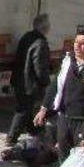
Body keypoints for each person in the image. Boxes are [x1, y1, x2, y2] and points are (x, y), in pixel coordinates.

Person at [34, 29, 84, 161]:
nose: (77, 46)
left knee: (81, 156)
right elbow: (56, 85)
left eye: (83, 43)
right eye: (76, 42)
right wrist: (44, 108)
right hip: (64, 116)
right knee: (62, 153)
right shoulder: (68, 61)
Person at [6, 14, 51, 146]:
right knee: (23, 110)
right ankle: (11, 138)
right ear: (46, 27)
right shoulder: (40, 43)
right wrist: (45, 82)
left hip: (19, 80)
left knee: (26, 108)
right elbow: (40, 67)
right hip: (29, 84)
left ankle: (35, 131)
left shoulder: (27, 37)